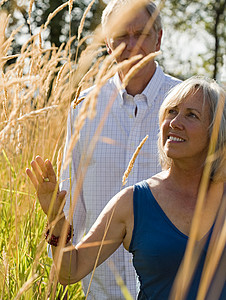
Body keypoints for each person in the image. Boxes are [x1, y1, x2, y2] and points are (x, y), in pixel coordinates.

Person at [27, 76, 226, 299]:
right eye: (171, 111)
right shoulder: (132, 203)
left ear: (215, 132)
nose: (174, 122)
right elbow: (71, 271)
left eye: (191, 115)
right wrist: (56, 218)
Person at [56, 0, 181, 298]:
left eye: (141, 33)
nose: (131, 44)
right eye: (121, 35)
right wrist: (64, 264)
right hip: (101, 287)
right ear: (108, 45)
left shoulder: (186, 106)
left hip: (173, 286)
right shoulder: (83, 108)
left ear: (159, 39)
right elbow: (71, 198)